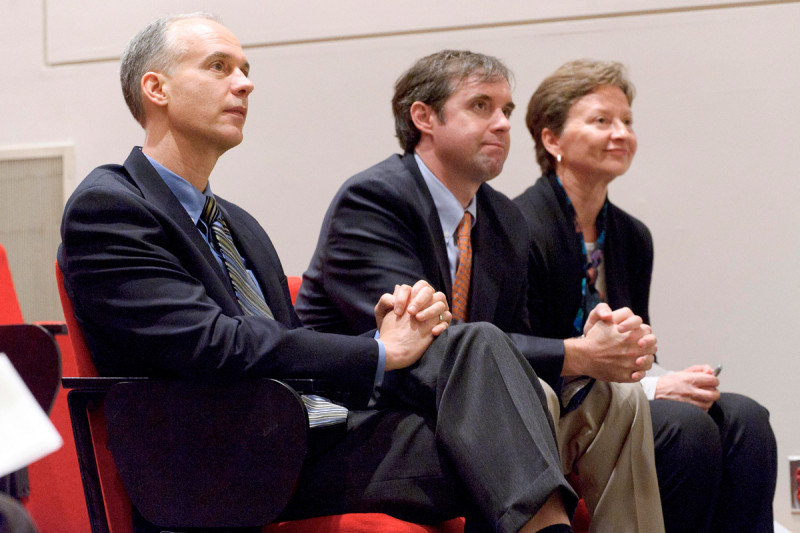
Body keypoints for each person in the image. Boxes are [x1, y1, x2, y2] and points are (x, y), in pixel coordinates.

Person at [58, 13, 580, 533]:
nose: (245, 83)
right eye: (219, 67)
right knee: (494, 446)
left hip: (300, 431)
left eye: (245, 69)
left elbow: (284, 341)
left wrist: (381, 331)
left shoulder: (236, 222)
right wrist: (377, 351)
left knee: (477, 353)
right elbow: (213, 345)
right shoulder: (111, 206)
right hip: (215, 460)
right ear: (157, 88)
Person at [296, 50, 663, 532]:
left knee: (616, 396)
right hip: (375, 416)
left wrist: (600, 348)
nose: (504, 124)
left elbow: (515, 337)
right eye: (481, 107)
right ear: (424, 117)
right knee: (522, 385)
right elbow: (425, 340)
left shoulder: (505, 220)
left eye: (507, 111)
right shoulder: (374, 200)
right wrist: (578, 352)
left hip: (465, 404)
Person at [513, 59, 777, 533]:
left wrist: (672, 377)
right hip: (554, 407)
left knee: (746, 418)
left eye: (627, 122)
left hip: (621, 392)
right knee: (684, 427)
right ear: (552, 140)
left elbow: (635, 345)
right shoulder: (518, 227)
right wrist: (656, 388)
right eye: (602, 121)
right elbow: (524, 356)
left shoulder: (631, 236)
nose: (622, 134)